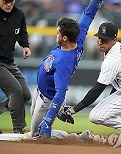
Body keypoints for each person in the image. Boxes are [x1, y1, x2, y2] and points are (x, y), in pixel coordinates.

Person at [30, 0, 103, 138]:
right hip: (40, 90)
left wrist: (49, 116)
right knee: (35, 132)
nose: (56, 34)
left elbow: (61, 92)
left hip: (48, 99)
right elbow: (89, 14)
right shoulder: (77, 39)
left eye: (58, 33)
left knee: (36, 135)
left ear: (64, 38)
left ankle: (76, 138)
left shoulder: (64, 61)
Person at [0, 0, 31, 133]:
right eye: (5, 1)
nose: (8, 5)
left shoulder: (19, 14)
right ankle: (18, 128)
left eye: (11, 1)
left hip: (9, 62)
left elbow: (22, 32)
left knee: (25, 95)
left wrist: (25, 46)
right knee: (16, 90)